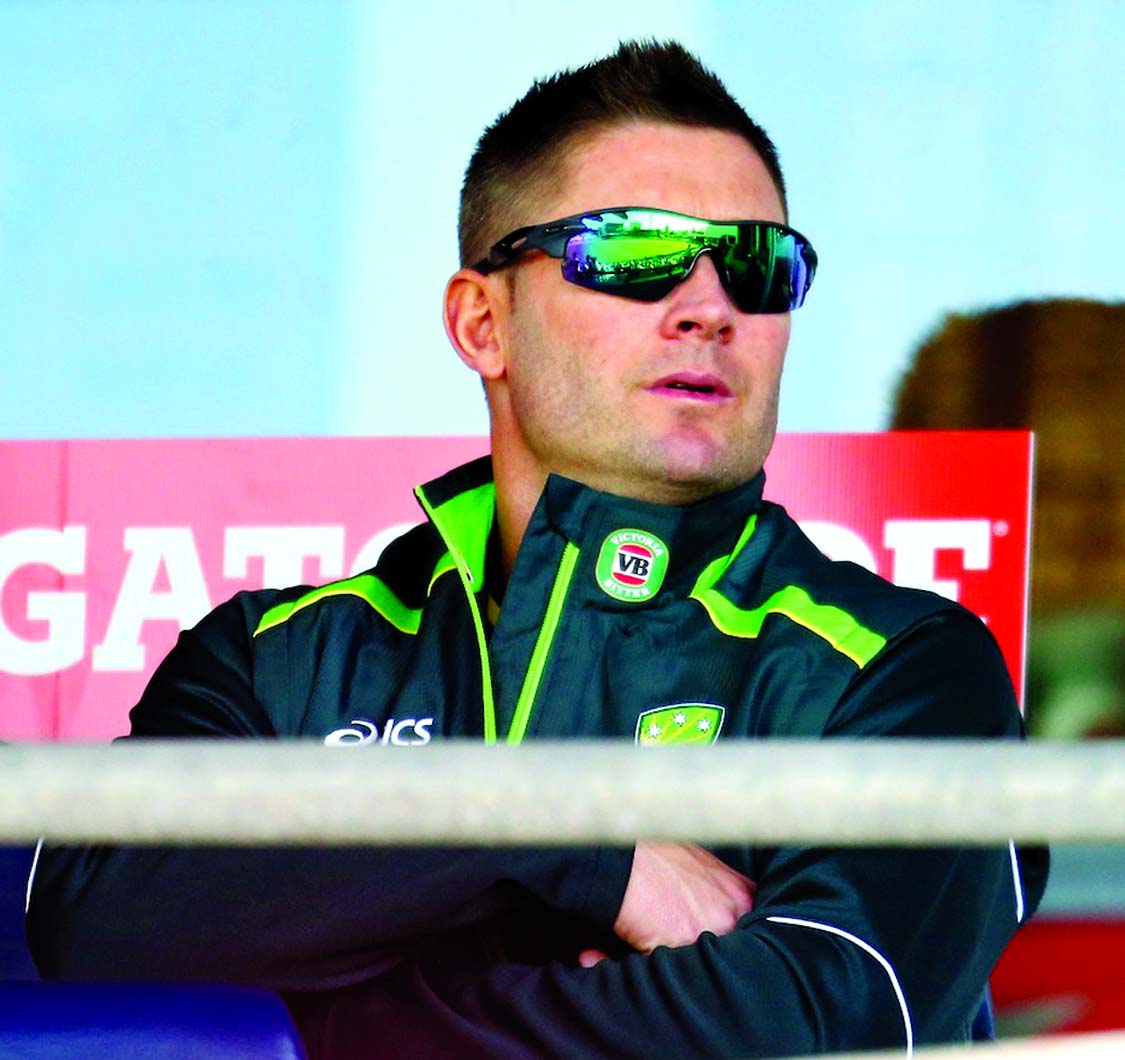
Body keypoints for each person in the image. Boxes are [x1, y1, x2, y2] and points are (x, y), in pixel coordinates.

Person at [27, 41, 1046, 1058]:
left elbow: (809, 1024)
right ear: (482, 322)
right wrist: (561, 840)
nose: (709, 307)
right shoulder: (272, 656)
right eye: (634, 255)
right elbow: (99, 925)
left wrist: (320, 1017)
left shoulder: (905, 668)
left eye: (758, 265)